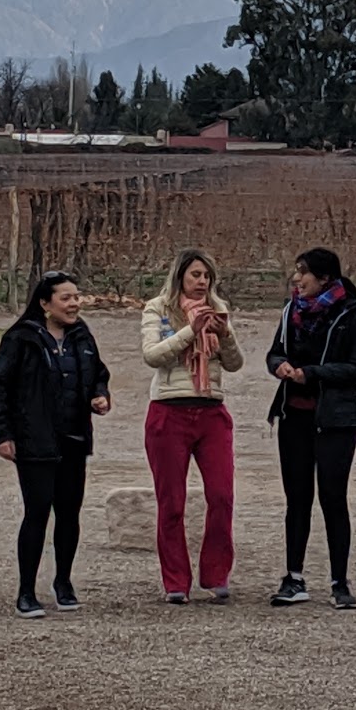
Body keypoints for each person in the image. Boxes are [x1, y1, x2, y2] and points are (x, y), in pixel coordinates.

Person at [0, 270, 111, 619]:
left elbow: (99, 373)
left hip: (74, 437)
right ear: (44, 303)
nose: (74, 304)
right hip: (35, 440)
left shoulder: (82, 336)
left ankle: (64, 582)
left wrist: (99, 396)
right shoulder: (21, 339)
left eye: (76, 297)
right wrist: (2, 433)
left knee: (69, 514)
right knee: (37, 513)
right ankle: (26, 591)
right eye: (66, 298)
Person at [265, 246, 356, 610]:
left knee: (332, 498)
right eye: (296, 272)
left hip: (336, 419)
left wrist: (312, 374)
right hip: (293, 415)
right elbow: (274, 352)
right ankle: (293, 578)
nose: (297, 279)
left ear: (324, 278)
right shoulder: (290, 310)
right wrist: (280, 366)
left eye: (303, 272)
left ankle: (339, 582)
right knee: (297, 500)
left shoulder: (351, 315)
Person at [140, 248, 242, 604]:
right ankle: (176, 582)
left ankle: (216, 574)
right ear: (180, 276)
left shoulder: (219, 308)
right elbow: (152, 355)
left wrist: (225, 333)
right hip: (169, 411)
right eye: (196, 275)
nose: (202, 282)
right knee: (172, 502)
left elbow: (234, 364)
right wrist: (189, 332)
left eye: (207, 276)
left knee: (222, 495)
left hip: (211, 410)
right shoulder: (158, 308)